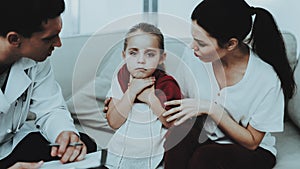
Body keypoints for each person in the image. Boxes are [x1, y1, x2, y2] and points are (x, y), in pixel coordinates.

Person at [161, 0, 296, 169]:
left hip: (251, 150)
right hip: (206, 136)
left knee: (205, 157)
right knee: (179, 135)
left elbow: (253, 142)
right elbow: (180, 106)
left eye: (201, 43)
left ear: (231, 44)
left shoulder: (265, 78)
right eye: (194, 39)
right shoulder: (193, 57)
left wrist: (213, 109)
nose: (192, 47)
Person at [0, 0, 96, 168]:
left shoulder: (35, 59)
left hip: (8, 146)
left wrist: (64, 134)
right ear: (14, 39)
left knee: (83, 145)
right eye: (49, 38)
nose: (59, 44)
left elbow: (50, 107)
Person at [105, 23, 182, 169]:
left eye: (150, 54)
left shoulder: (167, 84)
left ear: (161, 57)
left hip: (154, 157)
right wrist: (131, 92)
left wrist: (150, 98)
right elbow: (114, 122)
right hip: (119, 152)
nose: (141, 60)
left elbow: (171, 123)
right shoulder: (121, 77)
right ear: (124, 55)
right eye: (133, 53)